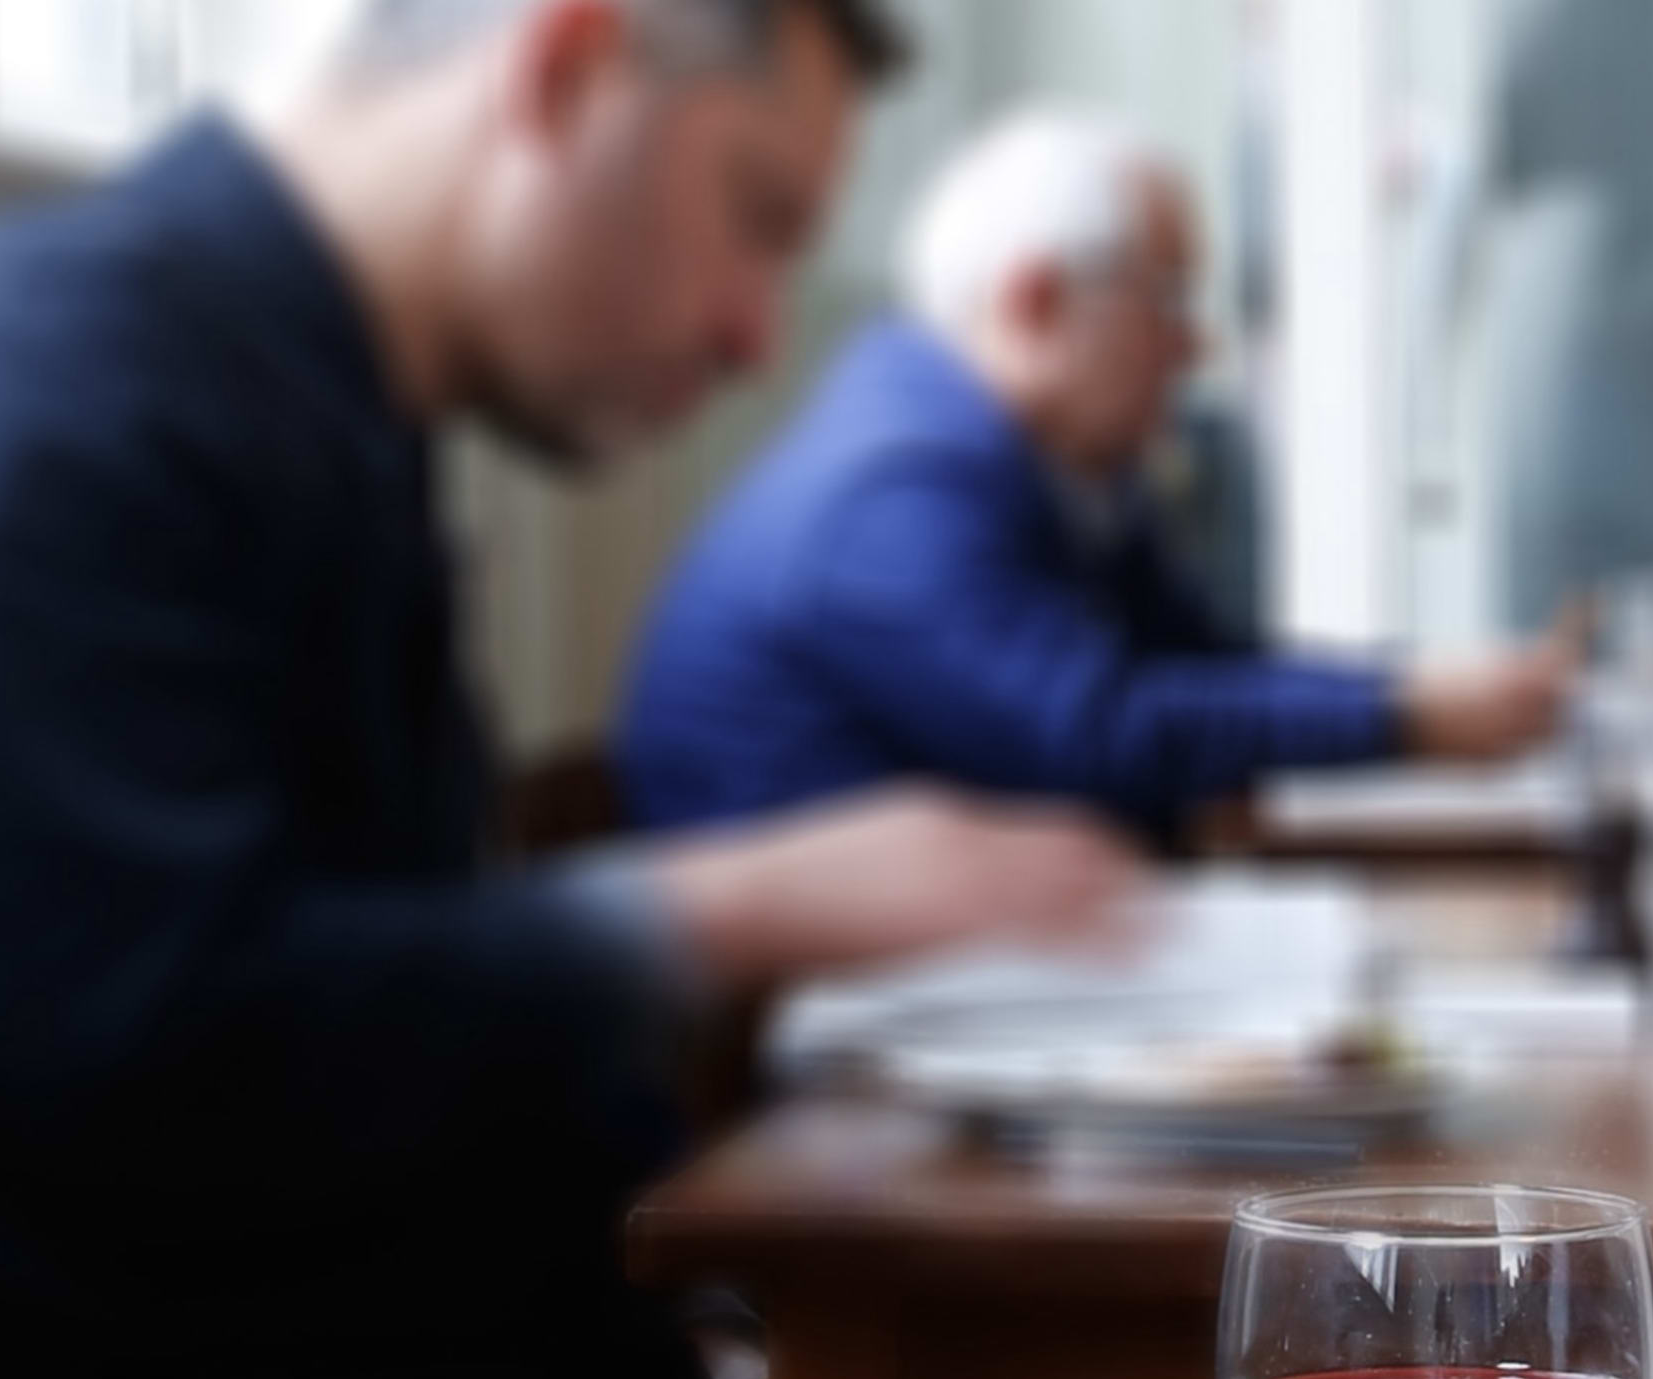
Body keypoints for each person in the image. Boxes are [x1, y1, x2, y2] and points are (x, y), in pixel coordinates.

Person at [0, 0, 1142, 1379]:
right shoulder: (31, 396)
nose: (757, 329)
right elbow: (134, 1062)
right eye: (755, 212)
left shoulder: (305, 415)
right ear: (565, 68)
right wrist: (724, 908)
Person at [617, 105, 1576, 852]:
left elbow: (1205, 667)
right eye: (1167, 300)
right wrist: (1406, 714)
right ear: (1033, 302)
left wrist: (1421, 686)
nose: (1194, 347)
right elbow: (1098, 735)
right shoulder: (891, 495)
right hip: (829, 1062)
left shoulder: (1059, 465)